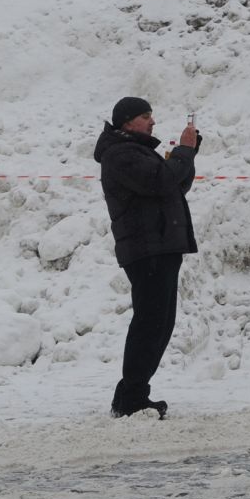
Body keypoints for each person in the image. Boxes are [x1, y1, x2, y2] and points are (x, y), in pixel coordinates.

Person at [94, 96, 200, 419]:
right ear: (127, 122)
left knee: (160, 323)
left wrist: (187, 156)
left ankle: (132, 393)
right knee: (150, 323)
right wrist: (182, 152)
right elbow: (161, 181)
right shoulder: (120, 154)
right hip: (147, 249)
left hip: (159, 247)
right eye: (145, 116)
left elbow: (172, 186)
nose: (153, 121)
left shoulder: (136, 151)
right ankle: (131, 398)